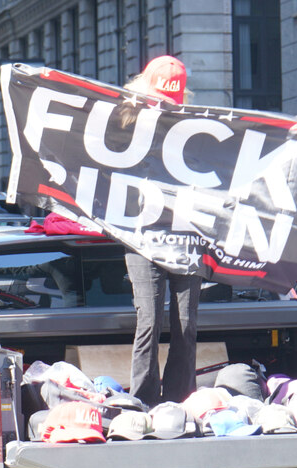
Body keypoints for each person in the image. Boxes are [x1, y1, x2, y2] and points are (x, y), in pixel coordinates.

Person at [123, 55, 200, 406]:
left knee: (185, 324)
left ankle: (180, 399)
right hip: (142, 238)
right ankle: (143, 401)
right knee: (149, 322)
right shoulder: (123, 123)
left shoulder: (194, 126)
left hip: (184, 233)